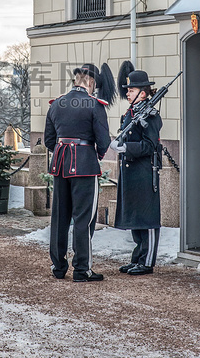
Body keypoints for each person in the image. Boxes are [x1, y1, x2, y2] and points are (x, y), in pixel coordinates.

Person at [44, 62, 114, 282]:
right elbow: (103, 141)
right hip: (84, 165)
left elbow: (49, 140)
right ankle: (82, 269)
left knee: (59, 217)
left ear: (77, 79)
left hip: (60, 165)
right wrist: (96, 156)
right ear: (91, 82)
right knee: (84, 219)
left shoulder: (56, 104)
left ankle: (58, 266)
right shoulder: (94, 105)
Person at [111, 69, 163, 276]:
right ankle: (138, 258)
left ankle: (147, 261)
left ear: (143, 93)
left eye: (131, 90)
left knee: (147, 218)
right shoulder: (131, 113)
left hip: (144, 171)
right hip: (131, 171)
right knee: (136, 217)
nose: (128, 93)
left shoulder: (150, 115)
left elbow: (149, 145)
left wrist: (126, 148)